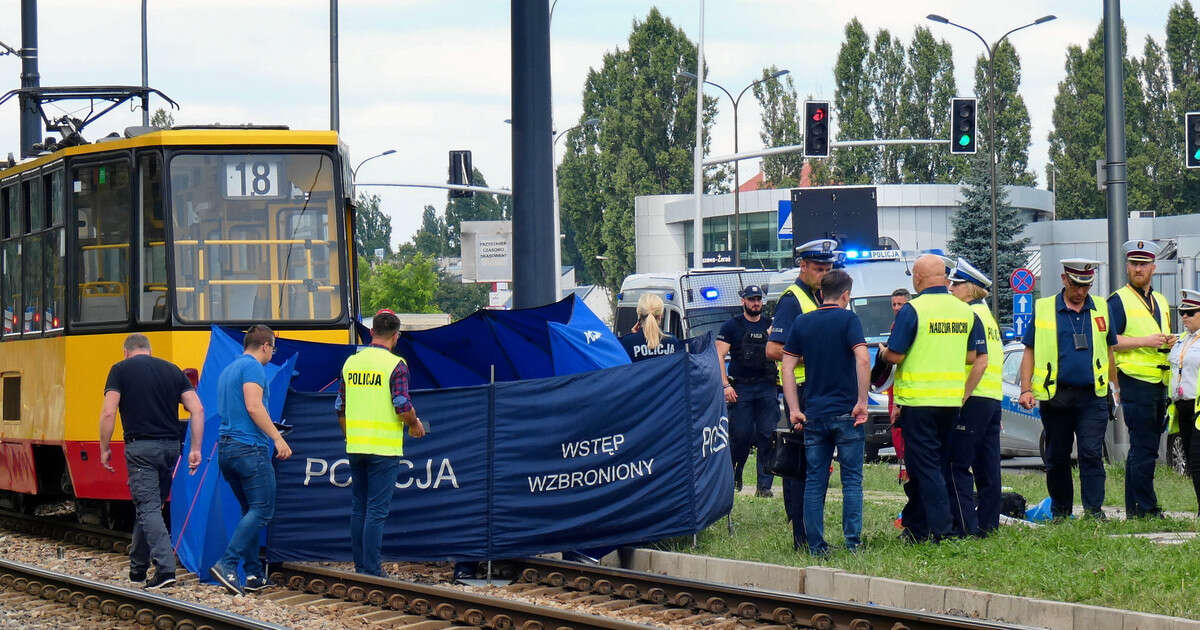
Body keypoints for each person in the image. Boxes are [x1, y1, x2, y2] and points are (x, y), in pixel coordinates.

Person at [879, 254, 983, 542]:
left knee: (925, 469)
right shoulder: (964, 311)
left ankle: (942, 531)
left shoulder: (913, 310)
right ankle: (915, 526)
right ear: (945, 278)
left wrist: (882, 353)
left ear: (917, 279)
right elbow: (971, 356)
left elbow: (897, 354)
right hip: (951, 402)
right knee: (934, 465)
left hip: (919, 402)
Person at [99, 333, 205, 589]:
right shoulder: (171, 370)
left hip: (141, 448)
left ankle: (166, 570)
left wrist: (104, 448)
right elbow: (198, 409)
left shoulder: (119, 370)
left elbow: (108, 411)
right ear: (149, 350)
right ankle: (137, 570)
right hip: (171, 448)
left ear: (126, 351)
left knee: (148, 508)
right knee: (149, 507)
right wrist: (196, 449)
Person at [1018, 259, 1117, 519]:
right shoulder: (1045, 309)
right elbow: (1030, 351)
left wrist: (1114, 387)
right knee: (1057, 456)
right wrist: (1025, 388)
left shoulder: (1101, 309)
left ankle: (1094, 511)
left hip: (1092, 396)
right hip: (1056, 395)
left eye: (1086, 286)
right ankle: (1061, 512)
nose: (1081, 292)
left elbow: (1108, 351)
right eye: (1076, 285)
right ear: (1064, 279)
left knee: (1091, 453)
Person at [780, 270, 869, 555]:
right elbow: (863, 358)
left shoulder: (803, 323)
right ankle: (852, 543)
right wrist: (862, 402)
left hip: (814, 413)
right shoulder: (849, 319)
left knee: (815, 482)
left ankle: (816, 546)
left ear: (820, 294)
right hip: (846, 413)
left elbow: (787, 367)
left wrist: (794, 409)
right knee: (852, 480)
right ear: (845, 295)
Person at [336, 310, 426, 577]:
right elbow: (402, 405)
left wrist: (349, 436)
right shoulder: (396, 365)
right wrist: (414, 423)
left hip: (356, 446)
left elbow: (340, 407)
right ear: (396, 336)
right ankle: (373, 569)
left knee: (358, 508)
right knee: (376, 510)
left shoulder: (351, 363)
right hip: (384, 449)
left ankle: (361, 566)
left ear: (371, 332)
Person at [210, 325, 293, 596]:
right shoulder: (254, 368)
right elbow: (254, 406)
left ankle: (254, 574)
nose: (272, 353)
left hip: (227, 449)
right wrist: (277, 438)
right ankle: (227, 563)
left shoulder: (229, 369)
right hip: (249, 449)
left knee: (250, 512)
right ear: (266, 346)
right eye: (273, 348)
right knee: (262, 510)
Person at [766, 238, 836, 551]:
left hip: (820, 390)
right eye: (818, 268)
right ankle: (802, 537)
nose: (824, 273)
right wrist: (818, 355)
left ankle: (811, 534)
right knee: (803, 467)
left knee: (817, 466)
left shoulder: (821, 298)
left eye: (829, 268)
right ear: (803, 266)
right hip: (802, 392)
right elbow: (774, 349)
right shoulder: (792, 300)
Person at [1109, 240, 1175, 518]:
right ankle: (1145, 508)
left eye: (1143, 264)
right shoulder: (1118, 299)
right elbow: (1110, 341)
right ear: (1127, 266)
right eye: (1134, 264)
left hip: (1159, 382)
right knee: (1143, 448)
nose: (1138, 269)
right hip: (1135, 380)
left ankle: (1136, 508)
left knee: (1146, 449)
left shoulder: (1159, 300)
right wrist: (1144, 341)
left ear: (1153, 268)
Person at [946, 259, 1002, 536]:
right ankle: (989, 525)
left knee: (957, 465)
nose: (951, 288)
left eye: (956, 284)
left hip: (974, 396)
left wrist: (962, 396)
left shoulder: (970, 316)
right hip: (992, 397)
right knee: (988, 467)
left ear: (970, 289)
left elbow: (979, 361)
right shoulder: (988, 317)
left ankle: (966, 527)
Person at [717, 285, 776, 497]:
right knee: (740, 436)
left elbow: (782, 350)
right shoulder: (732, 326)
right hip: (741, 388)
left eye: (758, 299)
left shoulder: (771, 325)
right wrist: (725, 385)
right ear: (744, 301)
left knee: (767, 435)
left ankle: (764, 486)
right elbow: (718, 356)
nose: (756, 303)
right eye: (751, 299)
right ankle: (735, 473)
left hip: (767, 386)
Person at [1167, 290, 1200, 515]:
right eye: (1182, 312)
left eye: (1190, 312)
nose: (1184, 317)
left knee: (1198, 459)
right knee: (1190, 459)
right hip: (1182, 407)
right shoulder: (1181, 340)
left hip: (1199, 407)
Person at [888, 288, 911, 482]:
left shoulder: (907, 323)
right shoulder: (896, 324)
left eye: (900, 304)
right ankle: (904, 469)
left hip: (904, 385)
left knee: (903, 430)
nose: (896, 308)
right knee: (896, 431)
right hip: (895, 383)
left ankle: (908, 471)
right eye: (894, 304)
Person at [620, 293, 682, 362]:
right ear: (660, 316)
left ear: (639, 315)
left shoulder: (626, 343)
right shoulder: (673, 342)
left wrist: (633, 337)